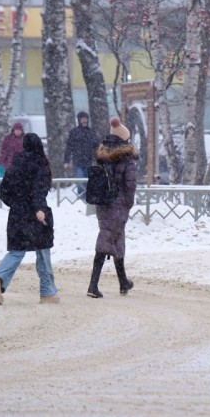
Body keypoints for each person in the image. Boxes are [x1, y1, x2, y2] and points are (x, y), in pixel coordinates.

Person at [0, 133, 59, 305]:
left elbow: (4, 191)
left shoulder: (15, 164)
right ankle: (48, 291)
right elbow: (38, 189)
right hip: (35, 214)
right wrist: (39, 208)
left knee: (16, 251)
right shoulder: (40, 163)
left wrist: (17, 203)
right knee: (43, 250)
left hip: (17, 215)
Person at [87, 117, 138, 299]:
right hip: (118, 204)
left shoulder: (103, 154)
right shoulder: (126, 158)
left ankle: (123, 281)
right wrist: (128, 203)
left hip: (104, 203)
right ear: (125, 139)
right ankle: (93, 286)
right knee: (105, 241)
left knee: (116, 239)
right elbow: (130, 185)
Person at [63, 111, 100, 200]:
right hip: (77, 161)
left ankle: (88, 197)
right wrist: (66, 161)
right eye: (82, 119)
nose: (84, 121)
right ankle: (82, 198)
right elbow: (69, 147)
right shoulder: (74, 132)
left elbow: (96, 147)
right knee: (80, 180)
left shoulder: (91, 132)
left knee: (88, 180)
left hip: (88, 161)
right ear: (79, 120)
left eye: (85, 119)